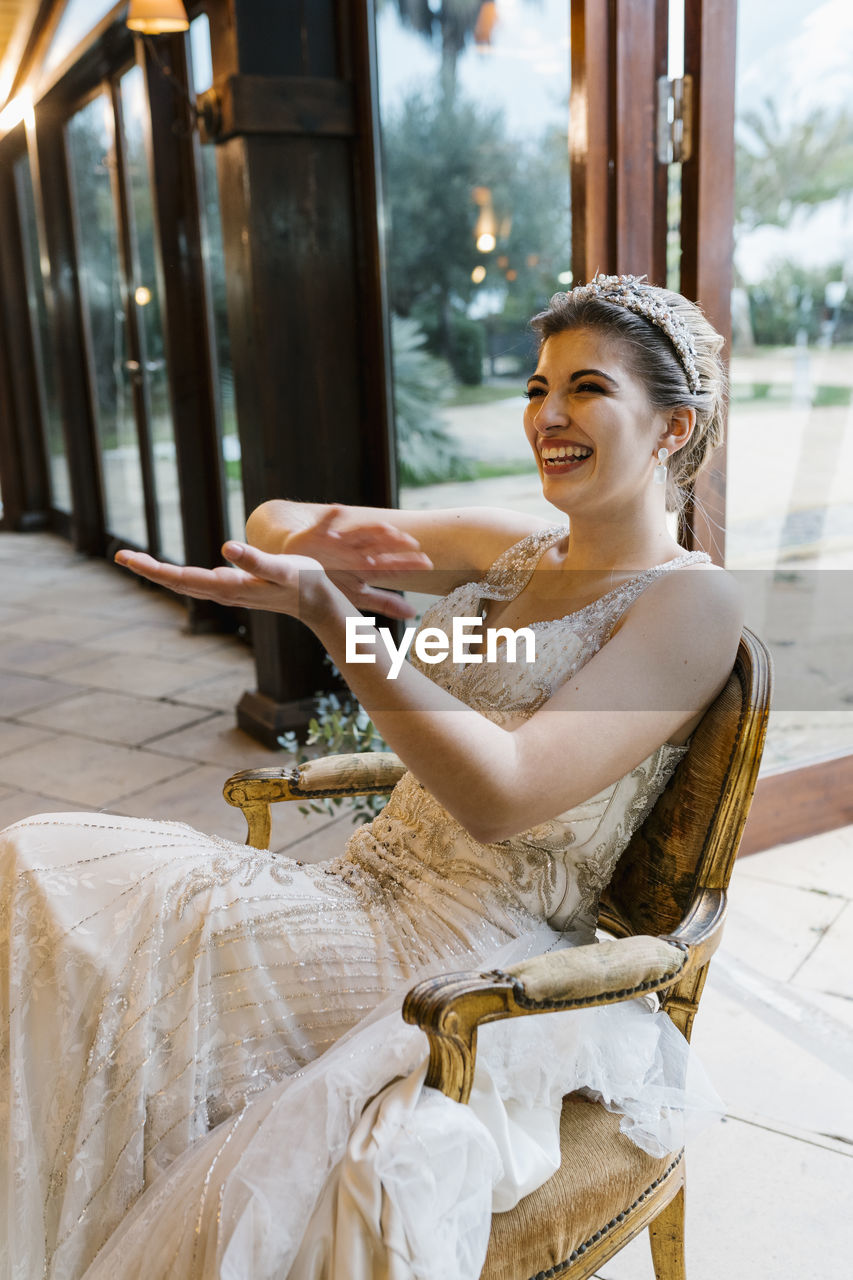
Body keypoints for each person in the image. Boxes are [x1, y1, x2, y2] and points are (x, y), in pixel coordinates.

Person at [1, 276, 742, 1280]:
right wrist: (314, 540)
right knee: (44, 880)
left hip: (462, 953)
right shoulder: (519, 550)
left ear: (672, 428)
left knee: (72, 906)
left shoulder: (688, 606)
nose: (547, 415)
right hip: (358, 887)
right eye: (536, 385)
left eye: (586, 389)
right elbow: (272, 520)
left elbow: (505, 791)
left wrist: (340, 625)